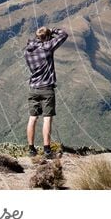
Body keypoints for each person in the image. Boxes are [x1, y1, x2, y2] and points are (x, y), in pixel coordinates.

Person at [24, 26, 68, 159]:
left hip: (33, 88)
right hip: (47, 89)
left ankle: (31, 149)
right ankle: (47, 150)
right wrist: (53, 30)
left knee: (32, 118)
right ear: (47, 37)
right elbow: (64, 34)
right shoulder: (47, 47)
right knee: (47, 119)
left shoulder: (27, 51)